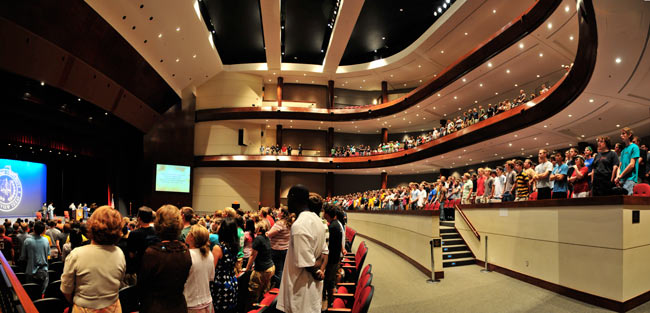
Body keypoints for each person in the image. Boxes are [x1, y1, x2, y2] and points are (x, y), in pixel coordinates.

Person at [60, 206, 125, 311]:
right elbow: (120, 282)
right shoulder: (119, 253)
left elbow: (66, 290)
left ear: (92, 225)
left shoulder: (76, 254)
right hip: (114, 308)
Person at [277, 185, 328, 313]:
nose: (287, 203)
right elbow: (322, 255)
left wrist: (315, 268)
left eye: (288, 199)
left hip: (300, 293)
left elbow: (307, 264)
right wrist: (317, 264)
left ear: (293, 199)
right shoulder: (317, 220)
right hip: (310, 291)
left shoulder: (299, 225)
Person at [139, 205, 192, 313]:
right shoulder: (185, 250)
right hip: (179, 306)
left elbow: (142, 285)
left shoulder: (152, 253)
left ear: (158, 224)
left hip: (156, 307)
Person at [184, 225, 215, 313]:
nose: (187, 234)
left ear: (193, 238)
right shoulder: (209, 254)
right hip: (207, 301)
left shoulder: (187, 255)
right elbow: (211, 277)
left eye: (189, 232)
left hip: (191, 303)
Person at [211, 217, 239, 313]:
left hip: (220, 284)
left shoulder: (218, 248)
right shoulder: (235, 246)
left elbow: (211, 270)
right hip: (232, 281)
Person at [244, 220, 275, 311]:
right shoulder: (266, 237)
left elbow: (253, 255)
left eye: (256, 226)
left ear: (259, 228)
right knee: (264, 293)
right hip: (270, 267)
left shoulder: (258, 239)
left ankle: (253, 310)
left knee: (253, 293)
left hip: (262, 270)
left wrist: (247, 269)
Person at [126, 206, 158, 282]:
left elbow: (131, 254)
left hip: (139, 268)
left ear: (139, 218)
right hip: (155, 266)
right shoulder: (157, 231)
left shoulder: (134, 234)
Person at [322, 204, 343, 309]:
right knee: (330, 282)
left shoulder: (333, 227)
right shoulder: (336, 224)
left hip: (332, 259)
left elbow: (329, 245)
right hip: (334, 258)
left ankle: (328, 305)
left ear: (326, 214)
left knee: (328, 282)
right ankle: (330, 303)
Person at [20, 221, 50, 294]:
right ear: (43, 230)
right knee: (41, 294)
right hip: (44, 272)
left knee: (30, 294)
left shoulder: (27, 241)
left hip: (31, 272)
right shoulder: (46, 240)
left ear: (33, 229)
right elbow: (48, 254)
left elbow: (23, 257)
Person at [267, 208, 291, 288]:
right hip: (286, 249)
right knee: (283, 270)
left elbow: (269, 234)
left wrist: (265, 232)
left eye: (279, 211)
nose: (277, 212)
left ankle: (278, 288)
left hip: (277, 249)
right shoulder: (288, 222)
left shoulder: (280, 223)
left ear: (283, 213)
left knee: (278, 271)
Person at [615, 127, 640, 195]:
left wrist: (620, 176)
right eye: (621, 134)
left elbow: (632, 165)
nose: (621, 135)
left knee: (627, 202)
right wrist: (617, 176)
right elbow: (620, 166)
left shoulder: (634, 147)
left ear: (629, 135)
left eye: (623, 133)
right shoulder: (623, 151)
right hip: (622, 179)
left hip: (630, 179)